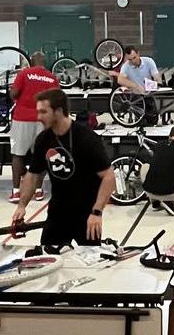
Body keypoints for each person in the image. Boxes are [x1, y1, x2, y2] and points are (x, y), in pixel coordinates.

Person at [12, 88, 115, 247]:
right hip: (57, 213)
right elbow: (33, 175)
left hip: (86, 215)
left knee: (89, 259)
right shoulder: (43, 139)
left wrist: (97, 212)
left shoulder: (86, 138)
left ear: (59, 111)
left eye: (43, 112)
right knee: (47, 255)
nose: (38, 117)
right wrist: (21, 205)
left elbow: (109, 177)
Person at [8, 52, 55, 203]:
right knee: (41, 156)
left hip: (22, 118)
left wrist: (13, 93)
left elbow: (14, 94)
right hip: (43, 120)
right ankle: (38, 190)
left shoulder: (24, 74)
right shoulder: (52, 78)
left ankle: (16, 192)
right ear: (44, 62)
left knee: (18, 155)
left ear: (31, 61)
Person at [117, 46, 161, 125]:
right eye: (130, 59)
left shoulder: (148, 61)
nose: (133, 61)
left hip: (149, 94)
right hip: (136, 97)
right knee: (140, 122)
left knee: (153, 121)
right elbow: (120, 80)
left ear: (138, 54)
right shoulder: (126, 66)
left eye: (134, 58)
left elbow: (157, 77)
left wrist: (154, 83)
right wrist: (136, 86)